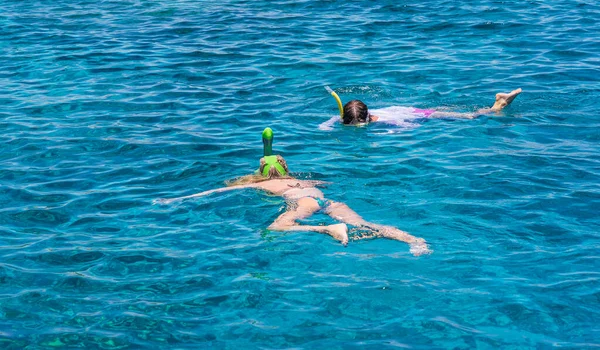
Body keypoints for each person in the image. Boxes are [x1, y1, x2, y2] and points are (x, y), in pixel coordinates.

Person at [156, 154, 431, 256]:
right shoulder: (299, 180)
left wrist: (174, 200)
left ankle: (327, 230)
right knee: (365, 224)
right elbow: (327, 184)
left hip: (304, 204)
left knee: (278, 227)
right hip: (328, 200)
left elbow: (213, 191)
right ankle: (414, 240)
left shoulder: (262, 184)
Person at [320, 88, 522, 129]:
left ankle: (498, 105)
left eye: (359, 124)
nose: (356, 126)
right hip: (405, 108)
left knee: (468, 117)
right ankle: (497, 103)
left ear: (366, 118)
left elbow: (405, 125)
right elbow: (332, 120)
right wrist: (326, 127)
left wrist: (404, 130)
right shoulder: (346, 118)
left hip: (416, 114)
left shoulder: (383, 120)